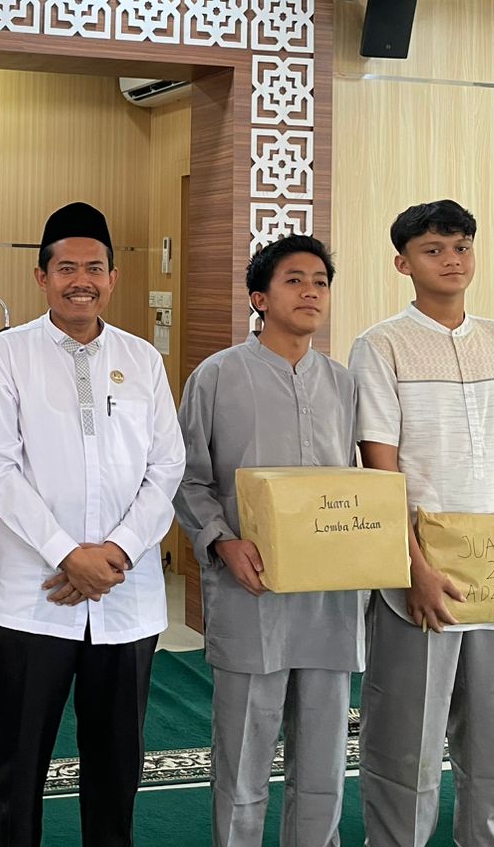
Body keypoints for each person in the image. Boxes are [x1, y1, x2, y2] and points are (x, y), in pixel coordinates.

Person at [0, 201, 184, 847]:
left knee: (117, 769)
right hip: (31, 598)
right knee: (18, 768)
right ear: (42, 277)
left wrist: (116, 551)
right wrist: (69, 554)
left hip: (124, 594)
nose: (81, 281)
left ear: (113, 278)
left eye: (94, 268)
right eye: (66, 268)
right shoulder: (7, 354)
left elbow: (167, 467)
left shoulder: (141, 359)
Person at [350, 199, 494, 847]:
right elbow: (379, 467)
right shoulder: (381, 345)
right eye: (433, 249)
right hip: (423, 575)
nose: (451, 260)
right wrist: (413, 568)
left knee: (493, 743)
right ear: (402, 263)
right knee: (405, 741)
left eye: (462, 246)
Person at [175, 234, 359, 847]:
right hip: (249, 588)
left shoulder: (344, 383)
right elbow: (187, 478)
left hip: (330, 597)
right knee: (244, 754)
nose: (311, 292)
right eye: (294, 280)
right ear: (259, 297)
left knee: (325, 759)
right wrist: (222, 541)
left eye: (320, 282)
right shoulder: (217, 376)